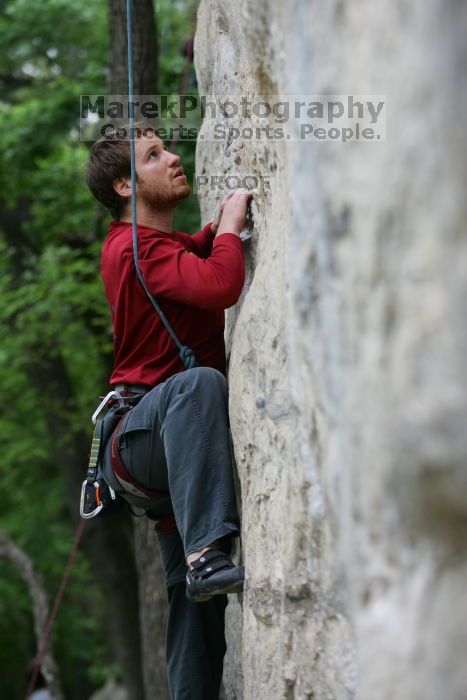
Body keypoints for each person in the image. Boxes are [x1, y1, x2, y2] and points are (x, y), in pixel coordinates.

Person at [85, 127, 251, 700]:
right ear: (126, 185)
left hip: (161, 449)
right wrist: (229, 231)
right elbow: (222, 284)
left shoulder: (149, 248)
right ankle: (207, 552)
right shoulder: (136, 246)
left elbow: (185, 260)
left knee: (192, 614)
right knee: (198, 383)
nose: (173, 157)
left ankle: (195, 562)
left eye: (166, 148)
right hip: (146, 435)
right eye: (154, 156)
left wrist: (209, 236)